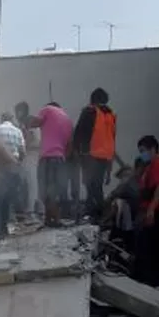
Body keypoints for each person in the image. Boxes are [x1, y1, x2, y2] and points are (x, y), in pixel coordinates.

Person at [132, 135, 159, 286]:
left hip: (156, 212)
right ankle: (143, 277)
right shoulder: (149, 165)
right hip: (147, 209)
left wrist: (151, 211)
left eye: (143, 150)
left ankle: (150, 280)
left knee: (151, 248)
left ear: (153, 149)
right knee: (143, 246)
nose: (141, 154)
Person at [71, 88, 118, 220]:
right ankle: (93, 211)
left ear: (93, 100)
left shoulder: (90, 111)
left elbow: (79, 132)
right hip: (105, 157)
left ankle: (101, 214)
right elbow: (112, 138)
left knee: (92, 186)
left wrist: (76, 150)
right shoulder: (110, 115)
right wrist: (110, 168)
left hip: (90, 155)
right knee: (96, 185)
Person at [30, 102, 73, 227]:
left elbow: (34, 123)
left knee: (44, 191)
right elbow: (70, 144)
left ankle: (57, 220)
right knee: (54, 191)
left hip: (47, 157)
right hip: (60, 158)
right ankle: (48, 220)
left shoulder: (47, 109)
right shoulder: (68, 119)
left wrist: (29, 120)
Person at [0, 113, 30, 215]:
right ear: (12, 120)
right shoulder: (18, 132)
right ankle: (6, 225)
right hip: (13, 166)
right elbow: (23, 152)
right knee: (9, 196)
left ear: (1, 119)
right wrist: (18, 163)